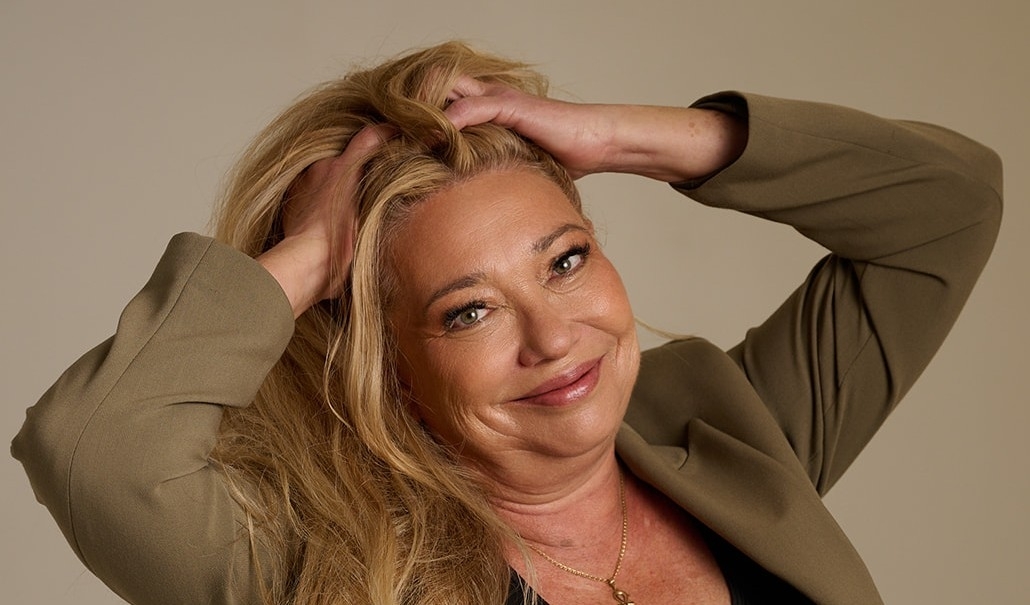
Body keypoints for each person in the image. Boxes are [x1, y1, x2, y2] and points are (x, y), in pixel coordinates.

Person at [12, 41, 1001, 605]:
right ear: (387, 363)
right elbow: (91, 447)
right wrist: (311, 253)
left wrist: (615, 137)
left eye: (564, 259)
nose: (552, 336)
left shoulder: (729, 432)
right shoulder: (323, 569)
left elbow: (948, 206)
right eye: (469, 309)